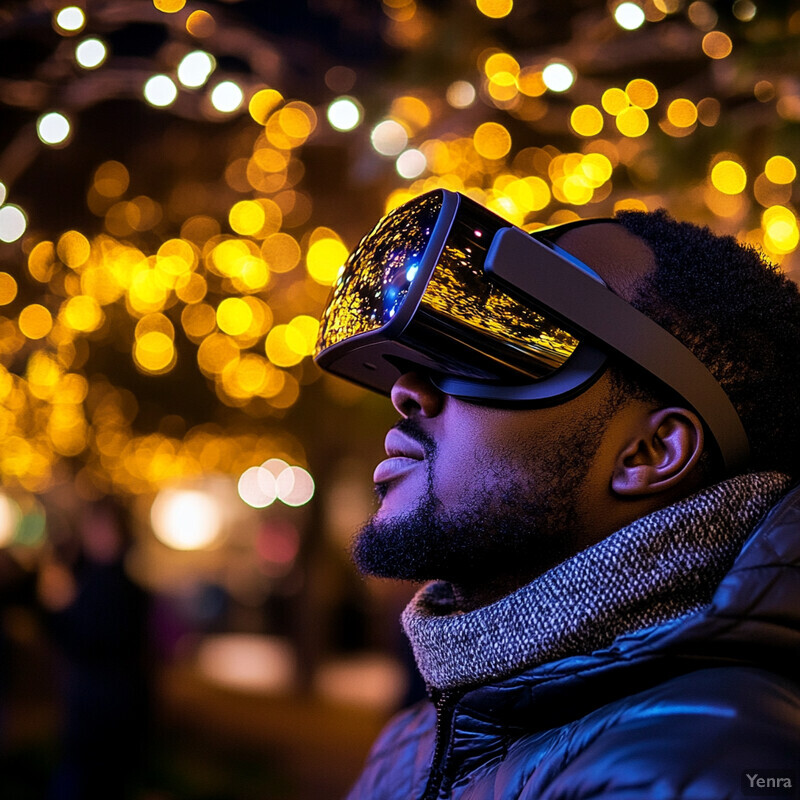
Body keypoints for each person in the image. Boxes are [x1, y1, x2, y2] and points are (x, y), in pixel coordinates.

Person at [315, 192, 800, 800]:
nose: (406, 391)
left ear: (650, 454)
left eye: (507, 349)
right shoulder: (410, 743)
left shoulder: (704, 763)